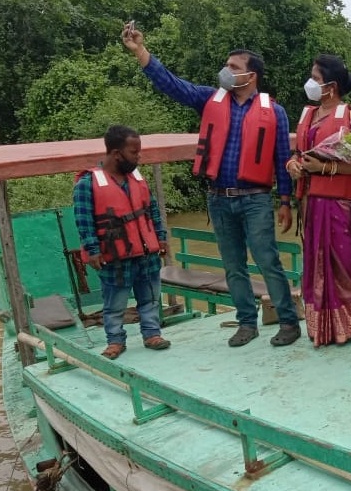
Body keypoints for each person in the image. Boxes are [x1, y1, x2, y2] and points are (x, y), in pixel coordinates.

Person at [121, 23, 301, 348]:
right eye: (227, 66)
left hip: (256, 199)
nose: (227, 72)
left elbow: (280, 160)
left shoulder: (274, 112)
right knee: (233, 267)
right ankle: (247, 323)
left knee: (268, 261)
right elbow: (173, 86)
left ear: (252, 75)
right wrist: (141, 52)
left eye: (234, 67)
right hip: (219, 199)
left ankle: (288, 322)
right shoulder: (210, 100)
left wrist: (285, 202)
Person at [287, 54, 351, 347]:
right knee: (317, 267)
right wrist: (293, 165)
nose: (310, 82)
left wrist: (324, 168)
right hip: (312, 205)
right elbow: (299, 153)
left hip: (342, 205)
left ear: (331, 85)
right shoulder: (308, 115)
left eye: (315, 77)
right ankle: (325, 326)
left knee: (347, 266)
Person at [73, 125, 170, 360]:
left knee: (149, 297)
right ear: (117, 154)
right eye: (133, 152)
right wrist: (93, 250)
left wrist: (161, 237)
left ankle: (151, 334)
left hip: (145, 252)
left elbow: (152, 210)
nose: (138, 157)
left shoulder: (137, 178)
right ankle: (115, 341)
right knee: (114, 303)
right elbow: (84, 220)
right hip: (114, 255)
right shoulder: (88, 183)